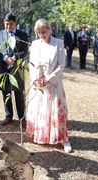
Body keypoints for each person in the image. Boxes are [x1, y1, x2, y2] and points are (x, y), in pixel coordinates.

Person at [26, 18, 72, 153]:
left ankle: (64, 140)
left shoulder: (58, 43)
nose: (42, 35)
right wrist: (35, 79)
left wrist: (48, 78)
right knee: (41, 110)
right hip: (39, 85)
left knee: (57, 112)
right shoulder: (35, 44)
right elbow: (31, 64)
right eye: (39, 33)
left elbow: (61, 65)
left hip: (53, 84)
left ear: (50, 29)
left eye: (44, 32)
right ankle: (43, 135)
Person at [0, 13, 29, 126]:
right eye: (6, 24)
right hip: (3, 67)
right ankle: (8, 116)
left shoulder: (22, 35)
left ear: (15, 23)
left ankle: (21, 117)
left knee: (19, 93)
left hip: (17, 67)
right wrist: (5, 58)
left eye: (11, 24)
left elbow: (25, 51)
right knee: (5, 92)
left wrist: (14, 57)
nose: (8, 26)